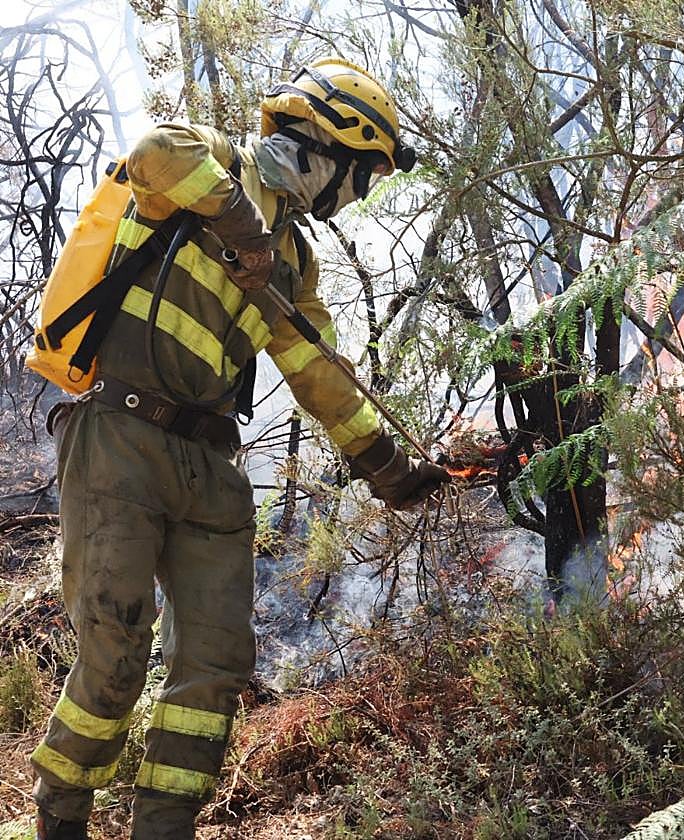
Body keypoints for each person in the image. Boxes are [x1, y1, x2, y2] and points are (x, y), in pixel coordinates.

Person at [30, 58, 449, 840]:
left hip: (212, 471)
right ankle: (60, 821)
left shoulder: (295, 262)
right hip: (120, 439)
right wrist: (237, 226)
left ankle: (165, 828)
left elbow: (318, 372)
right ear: (330, 145)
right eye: (359, 180)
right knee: (116, 652)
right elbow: (153, 150)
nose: (354, 201)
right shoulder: (214, 162)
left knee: (214, 669)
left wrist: (389, 469)